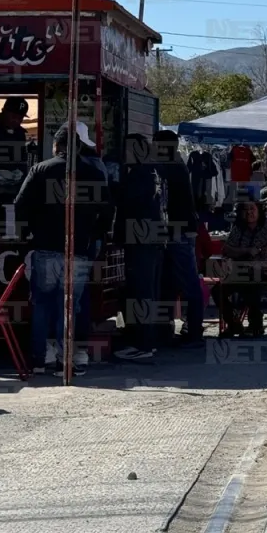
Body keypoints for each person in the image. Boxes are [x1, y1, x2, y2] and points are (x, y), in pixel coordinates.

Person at [14, 122, 114, 375]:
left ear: (56, 145)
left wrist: (29, 229)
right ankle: (66, 361)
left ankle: (38, 360)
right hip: (79, 249)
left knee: (41, 304)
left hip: (46, 246)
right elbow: (106, 211)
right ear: (79, 147)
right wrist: (94, 235)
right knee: (70, 307)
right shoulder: (93, 174)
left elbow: (20, 205)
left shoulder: (40, 169)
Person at [112, 133, 164, 362]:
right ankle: (144, 341)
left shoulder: (140, 174)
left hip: (141, 240)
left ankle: (142, 343)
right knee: (145, 292)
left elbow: (125, 202)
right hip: (150, 239)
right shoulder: (152, 172)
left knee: (141, 292)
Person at [152, 129, 205, 348]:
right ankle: (170, 330)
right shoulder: (176, 164)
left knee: (188, 283)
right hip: (177, 231)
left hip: (179, 232)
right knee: (171, 282)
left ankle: (193, 331)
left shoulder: (172, 166)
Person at [218, 201, 267, 338]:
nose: (249, 212)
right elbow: (226, 249)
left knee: (251, 283)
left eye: (252, 209)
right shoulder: (238, 229)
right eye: (245, 209)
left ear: (259, 211)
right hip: (240, 270)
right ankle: (233, 323)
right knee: (218, 290)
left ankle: (256, 324)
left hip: (264, 272)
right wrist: (245, 251)